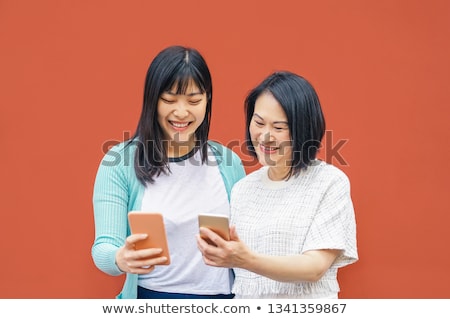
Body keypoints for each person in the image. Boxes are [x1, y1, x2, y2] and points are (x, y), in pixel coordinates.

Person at [91, 45, 246, 299]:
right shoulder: (120, 162)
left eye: (194, 100)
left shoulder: (228, 162)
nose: (182, 112)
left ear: (208, 100)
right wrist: (120, 258)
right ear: (152, 100)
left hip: (223, 301)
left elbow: (246, 241)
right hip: (152, 299)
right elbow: (103, 248)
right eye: (169, 100)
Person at [197, 71, 358, 299]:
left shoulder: (330, 183)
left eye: (279, 128)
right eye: (259, 123)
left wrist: (246, 260)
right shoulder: (243, 188)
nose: (265, 137)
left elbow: (314, 267)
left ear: (304, 130)